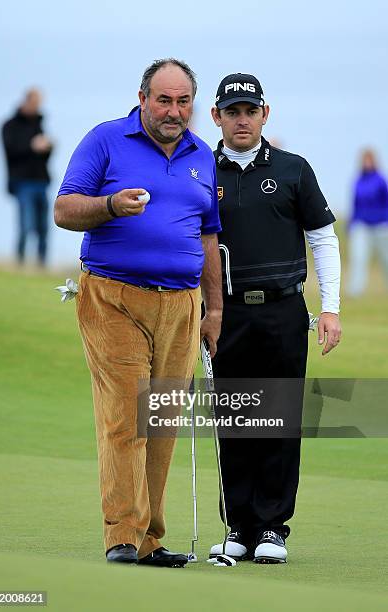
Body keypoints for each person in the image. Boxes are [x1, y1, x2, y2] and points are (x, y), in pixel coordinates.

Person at [54, 59, 222, 567]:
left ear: (193, 103)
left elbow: (209, 236)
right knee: (127, 415)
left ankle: (149, 540)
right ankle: (122, 537)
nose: (174, 111)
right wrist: (109, 206)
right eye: (164, 100)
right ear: (143, 97)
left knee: (163, 420)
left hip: (181, 303)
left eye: (183, 101)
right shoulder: (106, 140)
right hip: (113, 296)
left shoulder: (201, 156)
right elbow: (64, 209)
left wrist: (214, 307)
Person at [208, 73, 342, 563]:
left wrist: (331, 307)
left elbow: (323, 238)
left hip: (285, 309)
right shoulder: (201, 171)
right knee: (234, 417)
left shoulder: (292, 169)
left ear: (266, 114)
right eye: (232, 112)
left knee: (280, 418)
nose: (241, 120)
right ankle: (238, 526)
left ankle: (271, 528)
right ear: (216, 117)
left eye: (249, 111)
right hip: (224, 311)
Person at [1, 88, 53, 265]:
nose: (37, 106)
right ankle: (20, 263)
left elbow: (45, 156)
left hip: (41, 181)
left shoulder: (39, 123)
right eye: (35, 102)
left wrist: (48, 147)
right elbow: (10, 151)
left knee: (44, 227)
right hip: (22, 182)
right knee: (26, 225)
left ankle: (41, 264)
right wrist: (33, 146)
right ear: (27, 101)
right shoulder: (9, 125)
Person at [347, 149, 388, 296]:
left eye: (369, 160)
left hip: (381, 225)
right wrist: (350, 225)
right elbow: (355, 204)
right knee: (358, 258)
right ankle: (355, 291)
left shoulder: (380, 180)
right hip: (361, 225)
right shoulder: (358, 181)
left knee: (386, 259)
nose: (367, 163)